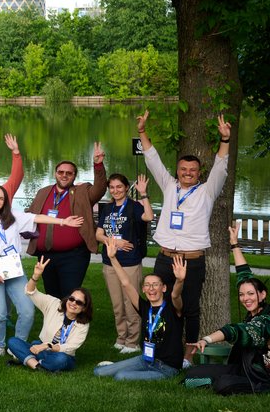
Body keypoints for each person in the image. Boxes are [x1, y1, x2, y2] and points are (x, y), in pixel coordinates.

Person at [137, 109, 231, 343]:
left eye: (192, 170)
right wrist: (142, 131)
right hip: (165, 258)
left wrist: (225, 139)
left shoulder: (208, 191)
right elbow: (153, 159)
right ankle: (160, 345)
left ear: (199, 173)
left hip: (192, 259)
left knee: (190, 308)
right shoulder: (169, 185)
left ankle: (189, 353)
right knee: (159, 302)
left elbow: (220, 166)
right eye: (183, 170)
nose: (187, 173)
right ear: (177, 171)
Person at [0, 185, 82, 351]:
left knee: (27, 310)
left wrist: (62, 221)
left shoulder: (12, 216)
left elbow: (37, 218)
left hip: (13, 266)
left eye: (1, 198)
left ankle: (17, 345)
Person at [183, 225, 270, 394]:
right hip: (241, 368)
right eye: (242, 294)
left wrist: (207, 339)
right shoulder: (256, 310)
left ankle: (220, 381)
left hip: (260, 377)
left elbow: (236, 331)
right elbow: (244, 275)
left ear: (263, 295)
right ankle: (214, 379)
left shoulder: (265, 320)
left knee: (223, 385)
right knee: (191, 376)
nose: (246, 298)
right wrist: (234, 244)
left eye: (251, 294)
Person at [94, 240, 186, 381]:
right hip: (146, 359)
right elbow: (126, 283)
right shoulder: (144, 307)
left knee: (120, 377)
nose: (151, 288)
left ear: (164, 288)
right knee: (98, 373)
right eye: (147, 285)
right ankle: (115, 366)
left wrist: (179, 280)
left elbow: (176, 295)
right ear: (143, 289)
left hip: (167, 368)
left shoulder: (172, 308)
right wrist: (113, 258)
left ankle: (121, 369)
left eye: (155, 285)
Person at [24, 143, 107, 299]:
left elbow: (100, 189)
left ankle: (70, 323)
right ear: (55, 173)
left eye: (69, 173)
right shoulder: (43, 192)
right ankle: (55, 324)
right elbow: (29, 216)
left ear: (74, 176)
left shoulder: (83, 192)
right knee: (51, 297)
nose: (64, 175)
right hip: (46, 256)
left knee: (69, 297)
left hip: (73, 257)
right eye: (61, 172)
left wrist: (98, 165)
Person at [94, 173, 153, 354]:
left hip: (130, 262)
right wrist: (115, 242)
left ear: (127, 187)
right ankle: (121, 337)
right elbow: (98, 235)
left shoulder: (135, 207)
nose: (115, 191)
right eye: (112, 187)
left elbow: (149, 217)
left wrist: (143, 194)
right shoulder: (107, 208)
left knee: (131, 303)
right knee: (118, 304)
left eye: (119, 187)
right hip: (110, 261)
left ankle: (133, 341)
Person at [6, 258, 92, 372]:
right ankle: (39, 367)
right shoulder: (54, 304)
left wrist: (47, 346)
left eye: (79, 302)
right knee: (13, 341)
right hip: (41, 348)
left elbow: (70, 347)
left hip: (62, 354)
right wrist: (36, 276)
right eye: (72, 299)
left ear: (84, 308)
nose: (73, 303)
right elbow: (30, 292)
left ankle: (29, 361)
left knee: (61, 359)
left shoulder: (83, 325)